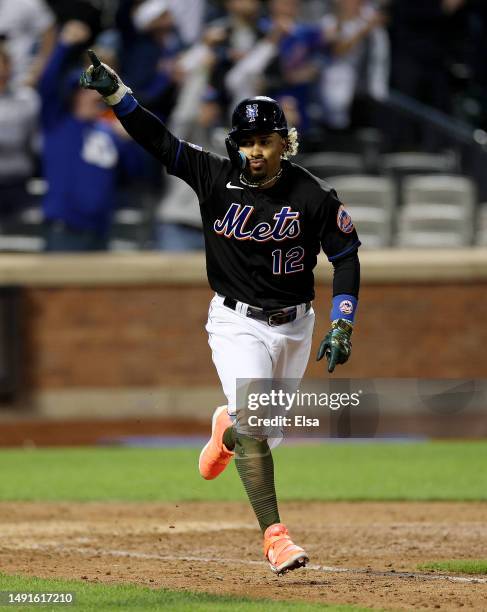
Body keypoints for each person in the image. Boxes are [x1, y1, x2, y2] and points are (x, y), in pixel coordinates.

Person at [80, 52, 361, 574]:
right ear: (236, 144)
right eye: (247, 141)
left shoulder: (314, 197)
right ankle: (275, 538)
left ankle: (224, 432)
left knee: (260, 432)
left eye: (266, 140)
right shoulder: (215, 177)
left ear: (284, 141)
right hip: (236, 321)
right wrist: (118, 95)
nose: (256, 150)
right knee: (258, 425)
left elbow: (345, 257)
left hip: (296, 325)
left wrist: (343, 321)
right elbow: (160, 142)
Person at [38, 21, 143, 252]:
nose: (94, 94)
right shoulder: (58, 122)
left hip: (101, 231)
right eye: (88, 90)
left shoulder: (110, 130)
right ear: (74, 95)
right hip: (64, 231)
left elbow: (135, 172)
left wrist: (134, 138)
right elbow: (47, 85)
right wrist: (64, 45)